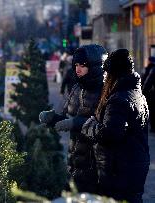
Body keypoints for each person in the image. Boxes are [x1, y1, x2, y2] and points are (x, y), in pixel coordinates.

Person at [81, 49, 150, 203]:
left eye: (107, 74)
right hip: (134, 164)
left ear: (114, 74)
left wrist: (89, 126)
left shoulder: (118, 99)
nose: (105, 79)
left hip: (119, 169)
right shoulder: (137, 94)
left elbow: (110, 134)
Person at [39, 44, 107, 193]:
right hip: (75, 160)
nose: (78, 69)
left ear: (96, 66)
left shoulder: (106, 90)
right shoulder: (77, 88)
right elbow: (67, 117)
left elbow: (106, 127)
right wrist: (52, 119)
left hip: (98, 164)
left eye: (83, 65)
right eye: (76, 64)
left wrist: (75, 123)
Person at [143, 56, 155, 132]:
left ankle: (153, 127)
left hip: (153, 94)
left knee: (153, 110)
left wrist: (143, 92)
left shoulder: (152, 69)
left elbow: (148, 82)